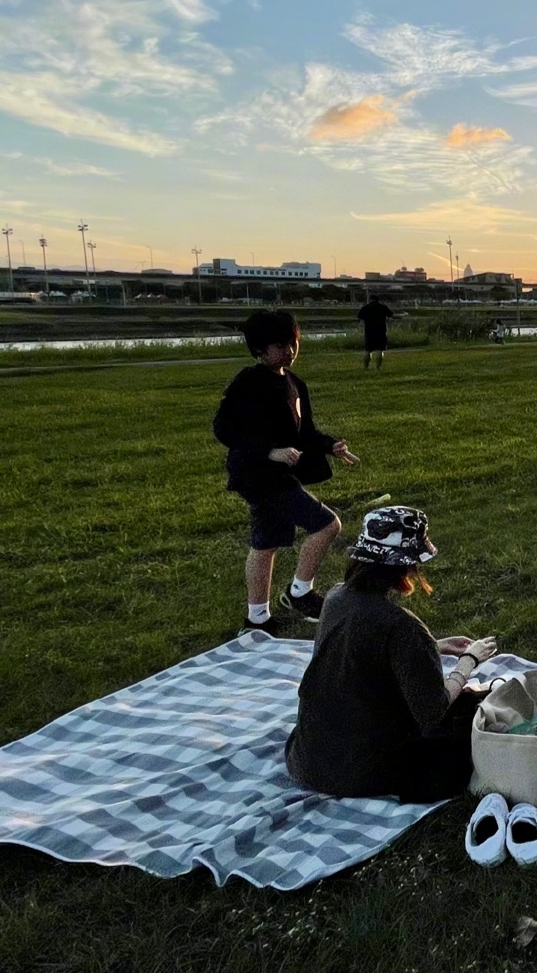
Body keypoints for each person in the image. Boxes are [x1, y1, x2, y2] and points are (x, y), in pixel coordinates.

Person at [285, 506, 499, 803]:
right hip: (363, 774)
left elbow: (363, 648)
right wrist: (468, 662)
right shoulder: (403, 627)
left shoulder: (336, 597)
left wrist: (433, 646)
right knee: (477, 715)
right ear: (407, 566)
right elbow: (433, 712)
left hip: (308, 761)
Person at [213, 309, 358, 633]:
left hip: (276, 476)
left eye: (293, 343)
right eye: (280, 345)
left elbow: (304, 432)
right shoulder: (248, 382)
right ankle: (299, 593)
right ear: (260, 349)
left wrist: (331, 445)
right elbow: (223, 428)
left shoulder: (294, 384)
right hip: (257, 475)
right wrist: (269, 451)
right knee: (326, 525)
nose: (290, 351)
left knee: (265, 543)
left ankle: (257, 620)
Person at [356, 291, 395, 369]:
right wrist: (404, 315)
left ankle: (365, 367)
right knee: (380, 350)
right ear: (378, 300)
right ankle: (377, 368)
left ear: (370, 300)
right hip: (381, 331)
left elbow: (359, 318)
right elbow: (393, 316)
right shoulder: (383, 307)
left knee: (367, 350)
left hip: (369, 331)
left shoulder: (365, 308)